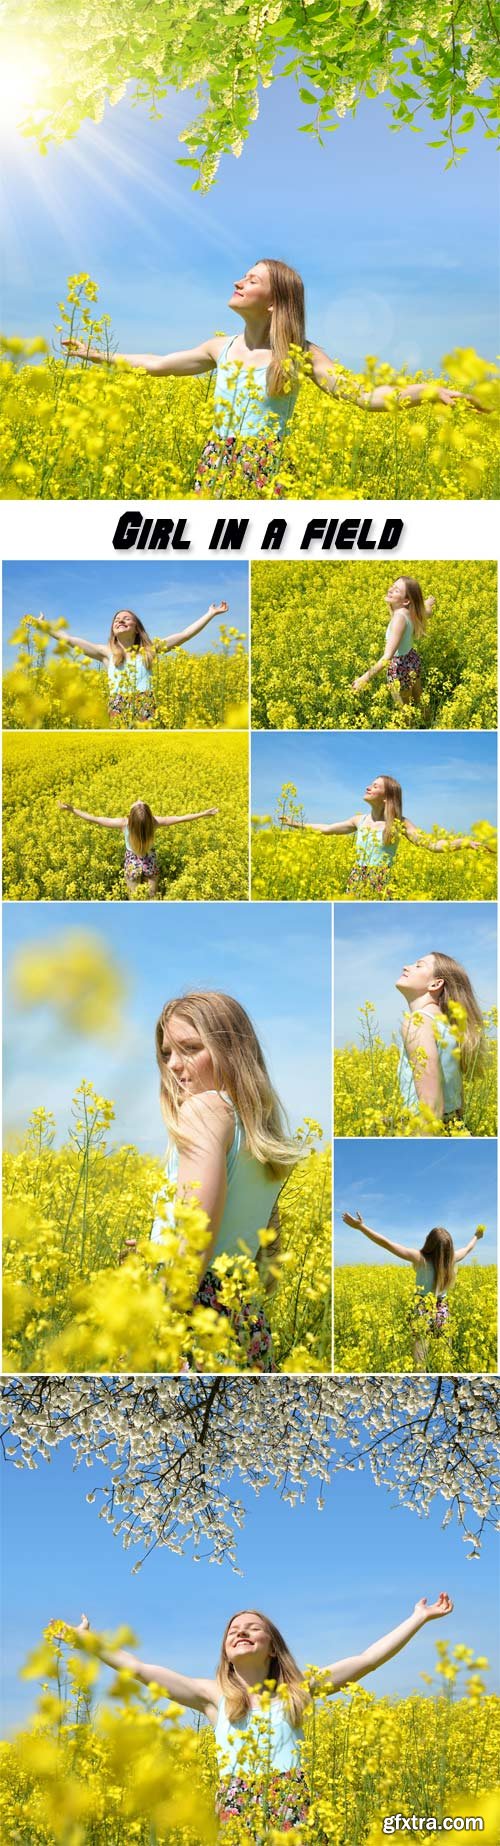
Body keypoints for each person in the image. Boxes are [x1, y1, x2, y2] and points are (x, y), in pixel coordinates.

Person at [62, 259, 486, 495]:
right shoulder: (218, 348)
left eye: (251, 280)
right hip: (215, 464)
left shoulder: (300, 355)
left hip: (268, 467)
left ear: (273, 303)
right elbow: (154, 365)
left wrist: (429, 391)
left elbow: (365, 396)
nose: (237, 281)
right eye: (242, 277)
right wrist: (93, 354)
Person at [65, 1596, 453, 1834]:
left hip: (291, 1797)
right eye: (234, 1629)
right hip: (235, 1800)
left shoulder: (298, 1691)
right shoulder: (212, 1696)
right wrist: (88, 1641)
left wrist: (418, 1617)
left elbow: (367, 1659)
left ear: (272, 1648)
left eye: (254, 1628)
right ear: (225, 1648)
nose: (241, 1631)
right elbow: (140, 1668)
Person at [150, 991, 302, 1371]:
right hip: (242, 1315)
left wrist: (153, 1328)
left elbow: (195, 1236)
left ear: (231, 1051)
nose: (173, 1064)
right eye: (167, 1052)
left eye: (190, 1048)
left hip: (194, 1315)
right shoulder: (254, 1131)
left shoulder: (202, 1111)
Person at [281, 773, 488, 899]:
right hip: (355, 879)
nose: (368, 787)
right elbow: (326, 829)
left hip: (381, 882)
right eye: (370, 784)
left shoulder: (399, 824)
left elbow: (431, 845)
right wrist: (294, 824)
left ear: (387, 797)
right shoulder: (358, 820)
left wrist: (465, 842)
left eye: (375, 786)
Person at [38, 601, 229, 724]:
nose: (120, 621)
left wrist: (210, 614)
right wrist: (45, 627)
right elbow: (70, 640)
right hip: (117, 704)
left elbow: (185, 635)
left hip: (145, 702)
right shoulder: (106, 653)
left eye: (126, 619)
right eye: (116, 619)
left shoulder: (149, 650)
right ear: (112, 629)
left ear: (137, 628)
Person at [342, 1210, 485, 1366]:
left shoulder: (420, 1258)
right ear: (449, 1248)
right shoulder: (452, 1259)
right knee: (446, 1351)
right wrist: (477, 1235)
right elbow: (468, 1248)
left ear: (428, 1243)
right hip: (441, 1307)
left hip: (421, 1307)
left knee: (420, 1353)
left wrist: (361, 1227)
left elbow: (387, 1244)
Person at [58, 798, 219, 898]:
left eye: (139, 803)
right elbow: (181, 818)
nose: (139, 799)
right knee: (151, 898)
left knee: (134, 899)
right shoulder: (154, 823)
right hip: (150, 863)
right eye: (139, 802)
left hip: (131, 865)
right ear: (149, 817)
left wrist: (72, 810)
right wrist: (204, 813)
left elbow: (95, 819)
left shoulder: (124, 824)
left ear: (131, 817)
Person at [396, 952, 485, 1128]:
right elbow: (458, 1106)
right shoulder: (450, 1028)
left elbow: (431, 1107)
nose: (406, 967)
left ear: (435, 984)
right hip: (452, 1128)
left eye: (419, 965)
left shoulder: (418, 1022)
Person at [352, 577, 434, 707]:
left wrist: (365, 678)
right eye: (392, 586)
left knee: (404, 708)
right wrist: (428, 603)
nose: (390, 590)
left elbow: (387, 657)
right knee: (419, 699)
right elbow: (427, 611)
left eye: (396, 590)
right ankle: (427, 722)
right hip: (412, 660)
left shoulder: (399, 619)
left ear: (406, 600)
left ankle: (410, 725)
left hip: (399, 668)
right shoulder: (413, 611)